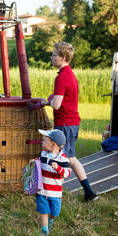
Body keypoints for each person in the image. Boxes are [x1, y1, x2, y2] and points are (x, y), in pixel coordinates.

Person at [28, 42, 98, 202]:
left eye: (54, 55)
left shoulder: (62, 77)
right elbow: (62, 101)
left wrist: (51, 100)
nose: (51, 57)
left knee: (66, 158)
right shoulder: (70, 74)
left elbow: (57, 104)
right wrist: (45, 103)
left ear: (63, 57)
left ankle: (67, 193)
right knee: (70, 157)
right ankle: (88, 193)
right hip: (71, 121)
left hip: (65, 122)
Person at [32, 129, 71, 236]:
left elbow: (67, 173)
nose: (42, 142)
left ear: (53, 144)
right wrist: (35, 161)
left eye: (44, 141)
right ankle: (44, 231)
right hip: (42, 191)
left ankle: (51, 219)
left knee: (55, 212)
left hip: (55, 192)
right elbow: (41, 161)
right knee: (43, 211)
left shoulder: (63, 159)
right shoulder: (44, 154)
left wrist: (58, 168)